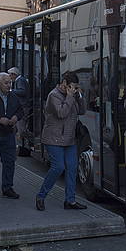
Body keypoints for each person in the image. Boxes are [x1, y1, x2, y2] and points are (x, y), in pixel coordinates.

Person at [35, 71, 87, 211]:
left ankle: (70, 200)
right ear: (64, 83)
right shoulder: (53, 95)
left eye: (75, 87)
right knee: (58, 167)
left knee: (72, 168)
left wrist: (79, 96)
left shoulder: (73, 95)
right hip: (53, 138)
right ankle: (41, 195)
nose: (72, 89)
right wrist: (70, 97)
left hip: (69, 139)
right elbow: (61, 113)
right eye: (71, 86)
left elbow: (82, 111)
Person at [8, 67, 32, 155]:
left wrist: (11, 91)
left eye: (10, 75)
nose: (10, 77)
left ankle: (24, 146)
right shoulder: (20, 80)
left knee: (21, 128)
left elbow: (22, 91)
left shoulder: (20, 80)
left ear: (14, 75)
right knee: (19, 127)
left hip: (23, 105)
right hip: (22, 105)